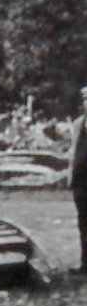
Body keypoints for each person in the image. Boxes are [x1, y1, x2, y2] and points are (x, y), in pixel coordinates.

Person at [69, 85, 87, 274]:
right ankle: (85, 263)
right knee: (83, 221)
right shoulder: (78, 124)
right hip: (81, 181)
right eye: (85, 100)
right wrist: (69, 174)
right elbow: (73, 151)